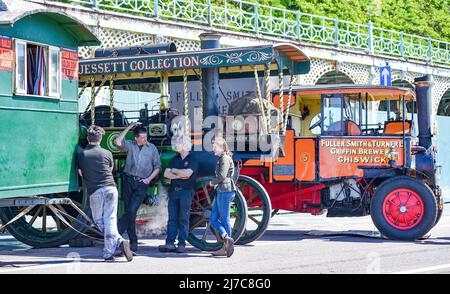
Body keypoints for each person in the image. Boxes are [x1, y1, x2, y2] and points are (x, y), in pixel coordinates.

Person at [76, 125, 133, 262]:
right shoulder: (107, 153)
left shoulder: (82, 154)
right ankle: (118, 242)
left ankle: (111, 251)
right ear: (100, 138)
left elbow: (80, 173)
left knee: (99, 222)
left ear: (88, 138)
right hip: (110, 188)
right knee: (110, 221)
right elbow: (110, 169)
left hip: (95, 191)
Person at [115, 123, 161, 253]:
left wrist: (148, 179)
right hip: (128, 180)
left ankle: (117, 233)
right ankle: (133, 244)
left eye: (146, 137)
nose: (145, 139)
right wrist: (129, 128)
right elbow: (118, 141)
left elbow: (157, 167)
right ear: (136, 138)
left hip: (142, 183)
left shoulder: (151, 148)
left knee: (131, 210)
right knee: (131, 213)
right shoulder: (130, 144)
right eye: (142, 137)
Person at [158, 136, 199, 254]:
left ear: (185, 146)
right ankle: (169, 243)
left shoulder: (193, 159)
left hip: (186, 191)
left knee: (183, 218)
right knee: (172, 219)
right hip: (174, 191)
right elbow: (166, 174)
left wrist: (174, 171)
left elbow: (187, 174)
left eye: (178, 143)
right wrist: (179, 174)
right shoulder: (174, 159)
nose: (176, 145)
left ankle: (182, 243)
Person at [208, 136, 236, 257]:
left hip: (225, 191)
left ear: (220, 147)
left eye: (214, 147)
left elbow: (222, 176)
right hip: (222, 190)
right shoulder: (223, 158)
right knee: (213, 219)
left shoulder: (224, 158)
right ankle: (226, 238)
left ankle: (226, 248)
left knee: (225, 220)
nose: (213, 149)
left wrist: (211, 183)